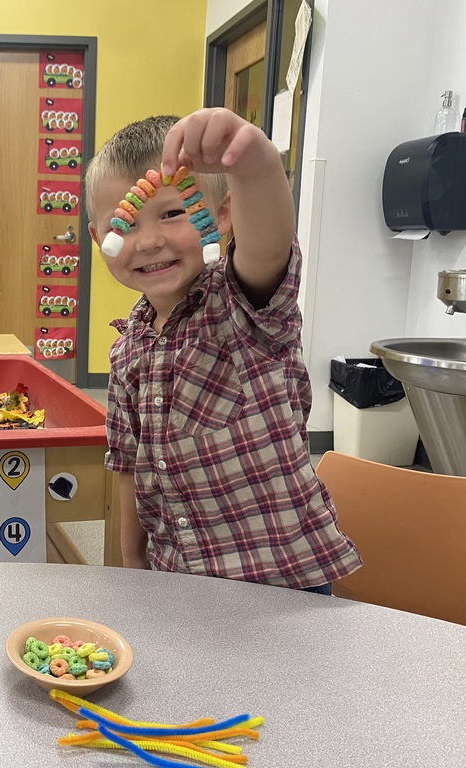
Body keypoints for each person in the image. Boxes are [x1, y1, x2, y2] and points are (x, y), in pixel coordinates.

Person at [85, 109, 361, 593]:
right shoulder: (127, 350)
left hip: (281, 583)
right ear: (98, 238)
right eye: (124, 223)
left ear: (224, 215)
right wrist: (131, 559)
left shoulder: (242, 306)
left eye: (172, 213)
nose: (148, 241)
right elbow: (127, 464)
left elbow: (270, 246)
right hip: (182, 579)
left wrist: (256, 165)